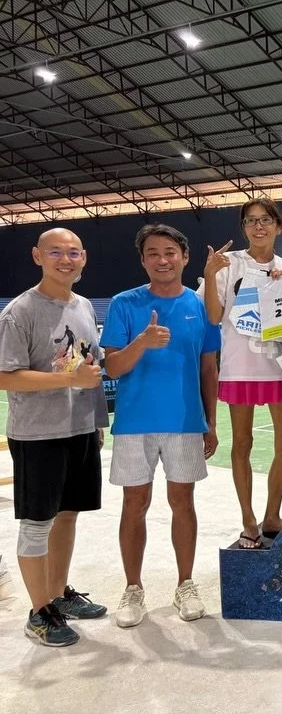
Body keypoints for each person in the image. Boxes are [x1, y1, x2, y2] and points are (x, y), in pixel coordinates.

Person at [102, 224, 221, 627]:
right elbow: (112, 367)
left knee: (182, 503)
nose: (162, 259)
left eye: (170, 252)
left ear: (184, 258)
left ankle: (185, 583)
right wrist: (142, 342)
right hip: (135, 423)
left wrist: (211, 422)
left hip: (185, 422)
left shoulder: (201, 306)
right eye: (153, 253)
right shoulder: (124, 303)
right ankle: (133, 588)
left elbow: (209, 367)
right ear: (143, 260)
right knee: (134, 504)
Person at [0, 228, 109, 646]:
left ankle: (57, 594)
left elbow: (84, 367)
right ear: (37, 256)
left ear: (84, 258)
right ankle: (38, 611)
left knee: (67, 515)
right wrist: (66, 379)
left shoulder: (82, 306)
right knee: (37, 523)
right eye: (56, 252)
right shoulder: (20, 311)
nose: (66, 259)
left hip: (80, 428)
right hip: (38, 435)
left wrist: (95, 419)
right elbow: (6, 375)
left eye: (74, 252)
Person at [200, 197, 282, 549]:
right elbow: (213, 316)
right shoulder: (227, 265)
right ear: (243, 228)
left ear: (278, 226)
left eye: (266, 220)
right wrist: (210, 275)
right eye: (251, 221)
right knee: (242, 443)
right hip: (240, 367)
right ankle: (248, 520)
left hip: (278, 366)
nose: (259, 226)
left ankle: (272, 515)